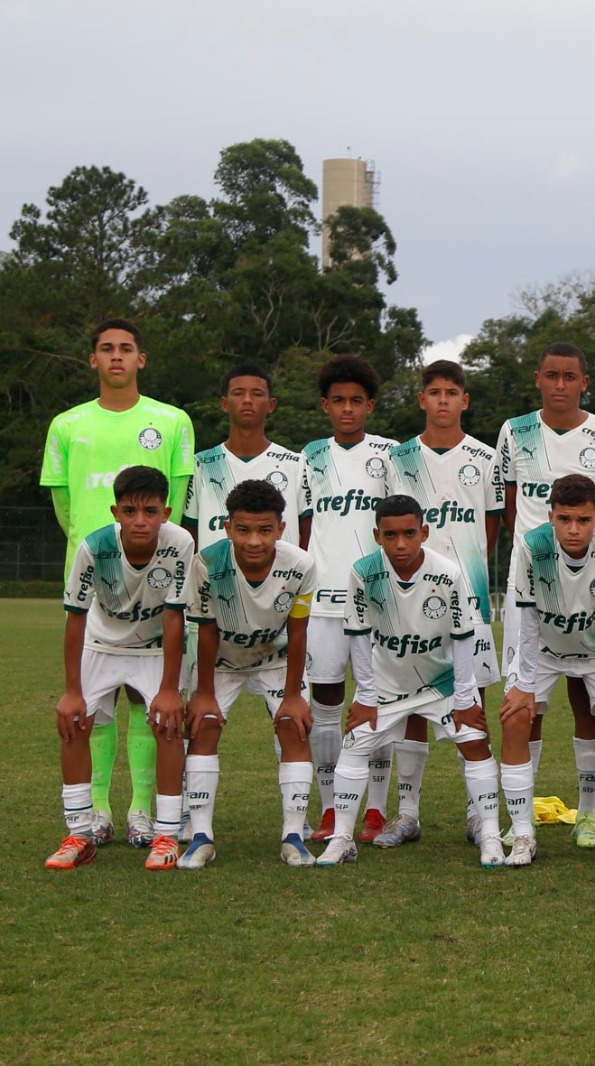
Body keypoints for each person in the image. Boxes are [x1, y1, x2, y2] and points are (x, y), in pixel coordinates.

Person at [41, 319, 194, 847]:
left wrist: (143, 548)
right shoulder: (65, 424)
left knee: (146, 700)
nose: (116, 357)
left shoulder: (171, 421)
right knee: (93, 702)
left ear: (140, 359)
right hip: (93, 574)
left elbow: (176, 497)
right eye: (106, 349)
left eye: (126, 349)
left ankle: (141, 811)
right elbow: (63, 504)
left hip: (154, 577)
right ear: (93, 360)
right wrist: (101, 547)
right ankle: (99, 810)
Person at [316, 494, 504, 868]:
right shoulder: (363, 572)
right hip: (386, 685)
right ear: (377, 535)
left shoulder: (448, 573)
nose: (400, 544)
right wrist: (365, 695)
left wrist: (467, 700)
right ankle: (342, 840)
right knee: (353, 747)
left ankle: (492, 836)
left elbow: (464, 637)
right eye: (390, 535)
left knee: (476, 745)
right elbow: (358, 634)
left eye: (408, 533)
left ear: (424, 532)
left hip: (443, 683)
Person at [497, 342, 595, 848]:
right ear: (538, 379)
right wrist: (540, 553)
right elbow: (510, 506)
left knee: (588, 700)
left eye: (570, 376)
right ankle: (520, 818)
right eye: (551, 375)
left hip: (590, 581)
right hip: (532, 582)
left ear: (583, 381)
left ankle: (590, 814)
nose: (560, 384)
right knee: (527, 701)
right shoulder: (515, 430)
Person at [379, 359, 504, 847]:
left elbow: (490, 529)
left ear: (464, 401)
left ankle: (479, 812)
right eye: (435, 392)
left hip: (466, 598)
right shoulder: (399, 459)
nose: (444, 400)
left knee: (472, 700)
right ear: (422, 400)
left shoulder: (486, 457)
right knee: (411, 702)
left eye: (453, 392)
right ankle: (407, 813)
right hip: (409, 598)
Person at [46, 466, 191, 870]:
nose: (140, 520)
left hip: (154, 646)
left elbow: (174, 616)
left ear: (167, 511)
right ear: (115, 511)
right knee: (74, 722)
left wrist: (168, 688)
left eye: (150, 510)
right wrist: (72, 691)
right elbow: (75, 616)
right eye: (130, 511)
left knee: (166, 723)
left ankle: (165, 835)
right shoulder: (93, 548)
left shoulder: (180, 542)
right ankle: (79, 833)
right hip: (101, 642)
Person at [499, 475, 595, 867]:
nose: (574, 529)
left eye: (583, 520)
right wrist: (523, 685)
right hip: (542, 648)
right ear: (550, 517)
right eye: (564, 519)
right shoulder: (530, 545)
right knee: (515, 717)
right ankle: (523, 833)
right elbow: (525, 615)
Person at [180, 480, 317, 869]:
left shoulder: (300, 565)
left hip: (275, 659)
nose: (254, 541)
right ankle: (202, 835)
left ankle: (293, 835)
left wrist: (293, 696)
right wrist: (203, 692)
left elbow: (298, 630)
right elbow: (205, 629)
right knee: (204, 724)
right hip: (222, 660)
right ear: (228, 528)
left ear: (280, 529)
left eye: (264, 530)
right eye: (243, 530)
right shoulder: (207, 563)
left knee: (294, 725)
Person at [301, 355, 396, 844]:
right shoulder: (308, 456)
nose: (346, 409)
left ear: (370, 406)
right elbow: (300, 530)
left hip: (378, 604)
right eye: (338, 401)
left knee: (375, 703)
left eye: (356, 401)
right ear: (324, 405)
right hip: (321, 604)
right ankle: (333, 808)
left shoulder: (391, 454)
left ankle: (376, 809)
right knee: (325, 706)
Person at [184, 363, 308, 552]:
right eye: (238, 393)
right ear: (224, 403)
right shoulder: (202, 465)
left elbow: (308, 533)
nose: (248, 400)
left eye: (257, 394)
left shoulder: (295, 464)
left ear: (271, 405)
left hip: (281, 580)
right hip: (216, 579)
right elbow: (189, 533)